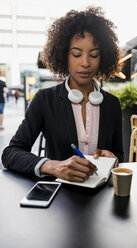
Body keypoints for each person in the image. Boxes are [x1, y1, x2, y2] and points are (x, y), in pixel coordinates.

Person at [2, 7, 123, 182]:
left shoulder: (112, 104)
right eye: (76, 54)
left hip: (102, 200)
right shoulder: (45, 100)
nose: (85, 63)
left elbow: (120, 155)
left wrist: (113, 159)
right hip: (59, 199)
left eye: (94, 55)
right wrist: (52, 166)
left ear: (102, 58)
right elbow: (10, 154)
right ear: (64, 55)